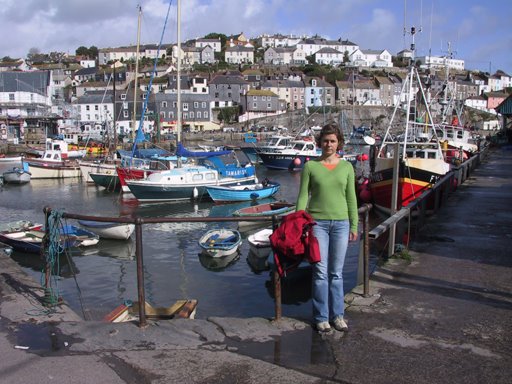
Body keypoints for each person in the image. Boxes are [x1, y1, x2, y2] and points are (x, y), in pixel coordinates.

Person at [296, 122, 359, 333]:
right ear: (319, 143)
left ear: (338, 143)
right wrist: (298, 222)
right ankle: (321, 317)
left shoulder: (347, 167)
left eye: (333, 141)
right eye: (325, 141)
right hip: (318, 225)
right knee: (320, 272)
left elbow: (352, 198)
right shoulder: (311, 167)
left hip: (341, 224)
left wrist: (354, 224)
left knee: (336, 273)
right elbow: (303, 196)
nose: (329, 144)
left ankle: (338, 316)